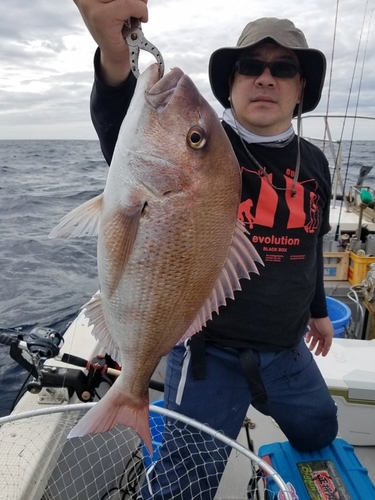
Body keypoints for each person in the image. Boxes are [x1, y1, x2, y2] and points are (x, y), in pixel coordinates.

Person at [73, 1, 338, 498]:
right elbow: (124, 134)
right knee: (182, 484)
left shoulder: (317, 163)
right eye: (250, 67)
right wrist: (114, 52)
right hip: (210, 352)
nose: (265, 79)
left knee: (321, 429)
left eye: (283, 69)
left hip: (287, 349)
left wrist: (318, 312)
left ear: (302, 88)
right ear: (231, 82)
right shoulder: (211, 149)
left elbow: (311, 247)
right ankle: (137, 403)